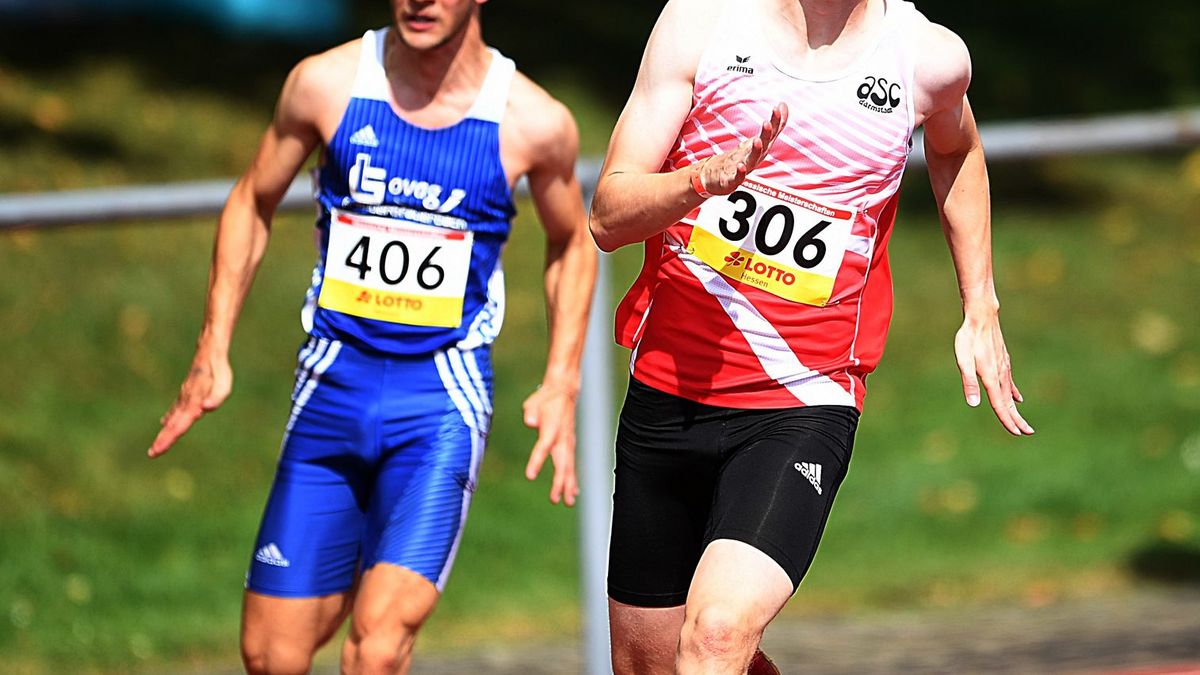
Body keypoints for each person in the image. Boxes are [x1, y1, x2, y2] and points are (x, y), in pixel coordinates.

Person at [147, 0, 597, 672]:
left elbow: (572, 242)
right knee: (271, 655)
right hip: (331, 390)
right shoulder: (326, 84)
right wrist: (212, 347)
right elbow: (251, 199)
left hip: (438, 404)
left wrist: (562, 378)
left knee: (377, 646)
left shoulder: (532, 121)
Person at [589, 0, 1034, 672]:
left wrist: (981, 306)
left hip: (804, 399)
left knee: (716, 635)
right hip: (670, 388)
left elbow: (957, 148)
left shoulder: (926, 59)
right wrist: (700, 181)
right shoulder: (701, 24)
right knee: (650, 662)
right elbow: (607, 217)